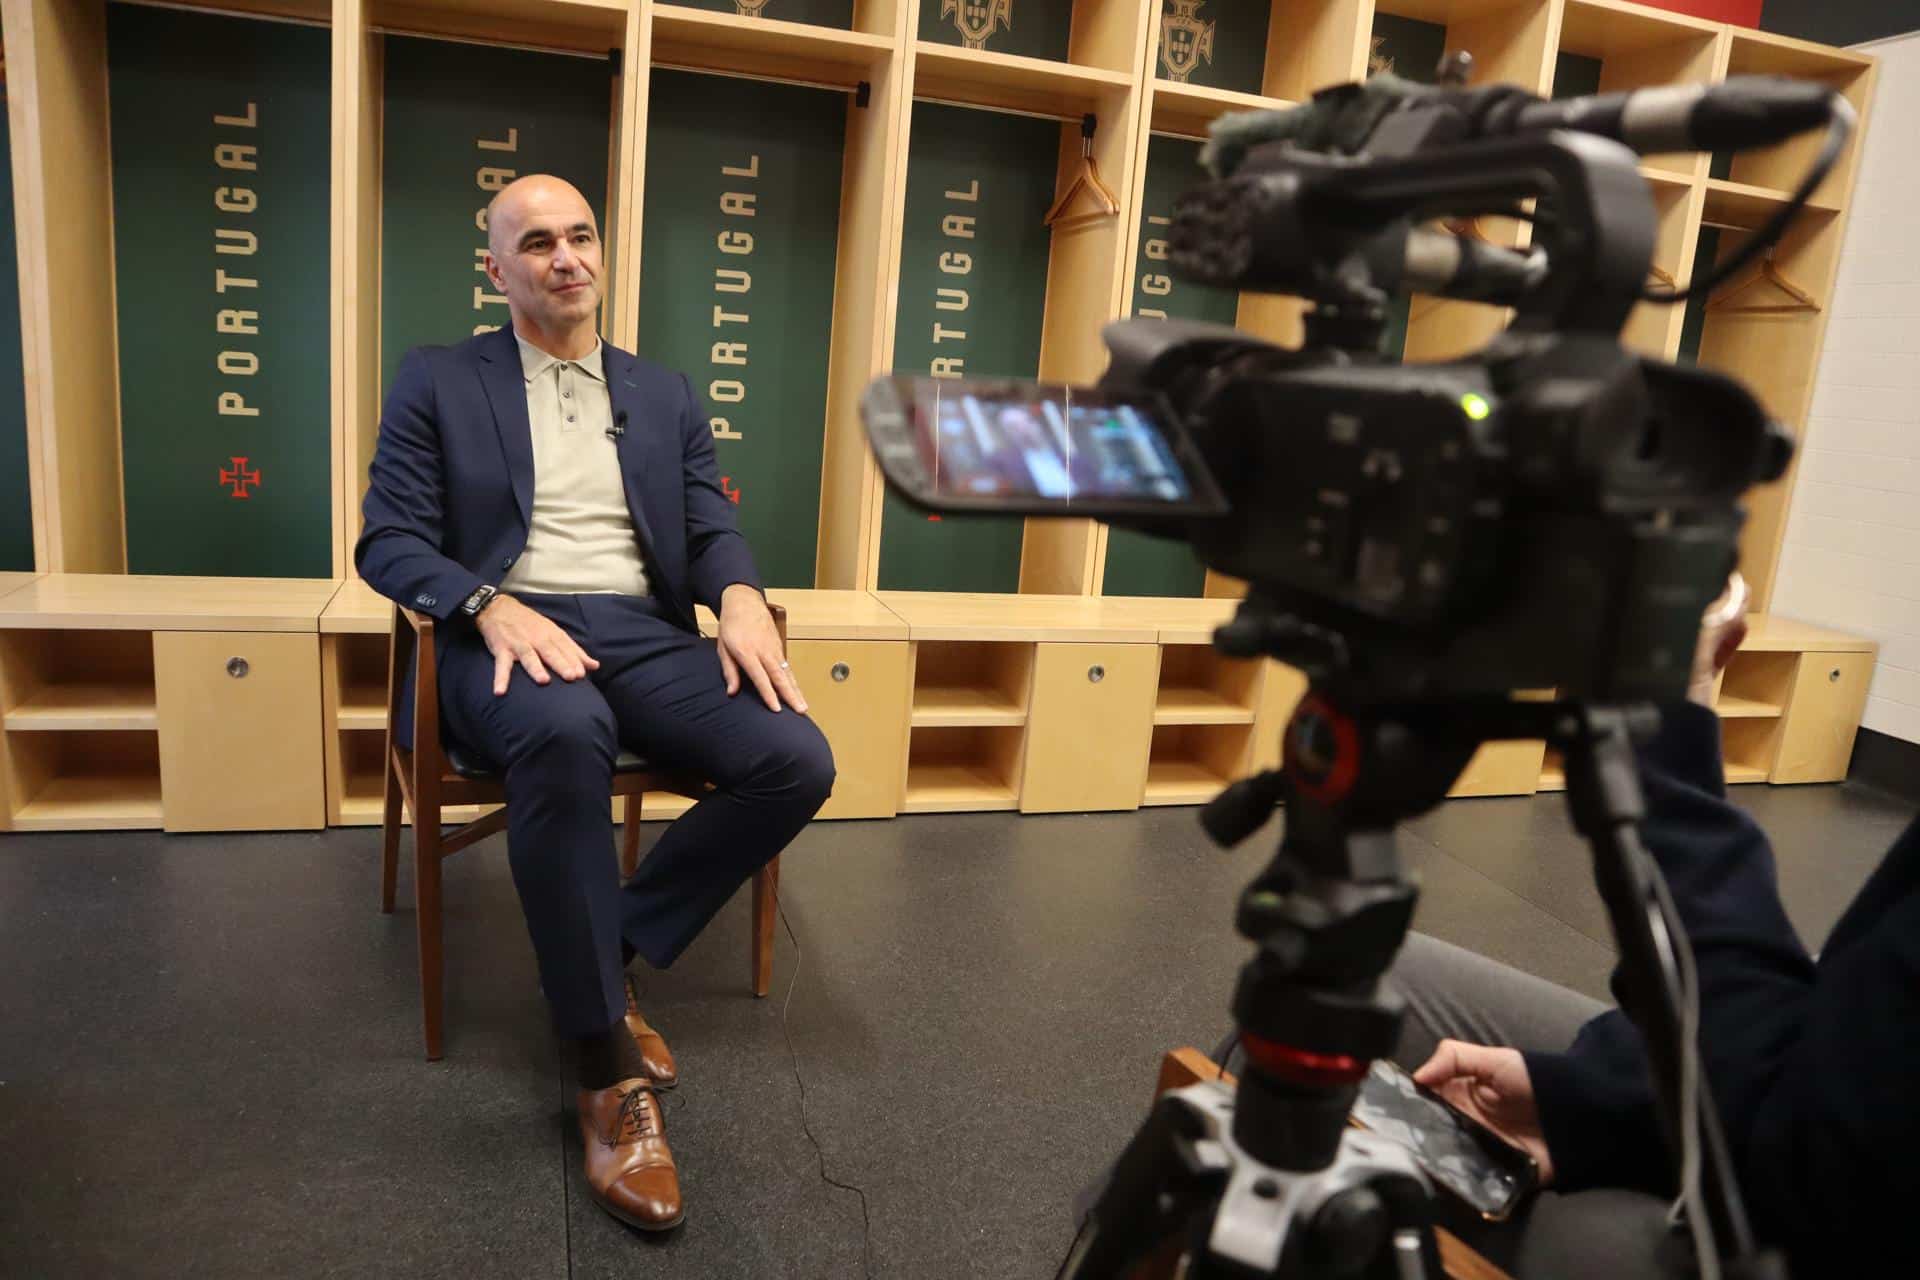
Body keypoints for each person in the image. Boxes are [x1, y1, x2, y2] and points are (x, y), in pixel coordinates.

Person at [356, 174, 835, 1234]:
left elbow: (708, 522)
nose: (564, 257)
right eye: (536, 243)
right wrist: (485, 601)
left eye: (580, 236)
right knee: (568, 737)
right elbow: (386, 539)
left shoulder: (661, 390)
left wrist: (743, 598)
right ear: (497, 270)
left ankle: (601, 945)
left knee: (795, 760)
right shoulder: (439, 377)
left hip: (640, 629)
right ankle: (601, 1061)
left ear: (601, 254)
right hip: (505, 629)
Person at [1391, 585, 1920, 1277]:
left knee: (1375, 1167)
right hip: (1809, 1134)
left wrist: (1662, 714)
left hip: (1800, 1226)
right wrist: (1590, 1101)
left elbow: (1816, 1160)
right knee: (1383, 976)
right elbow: (1853, 1054)